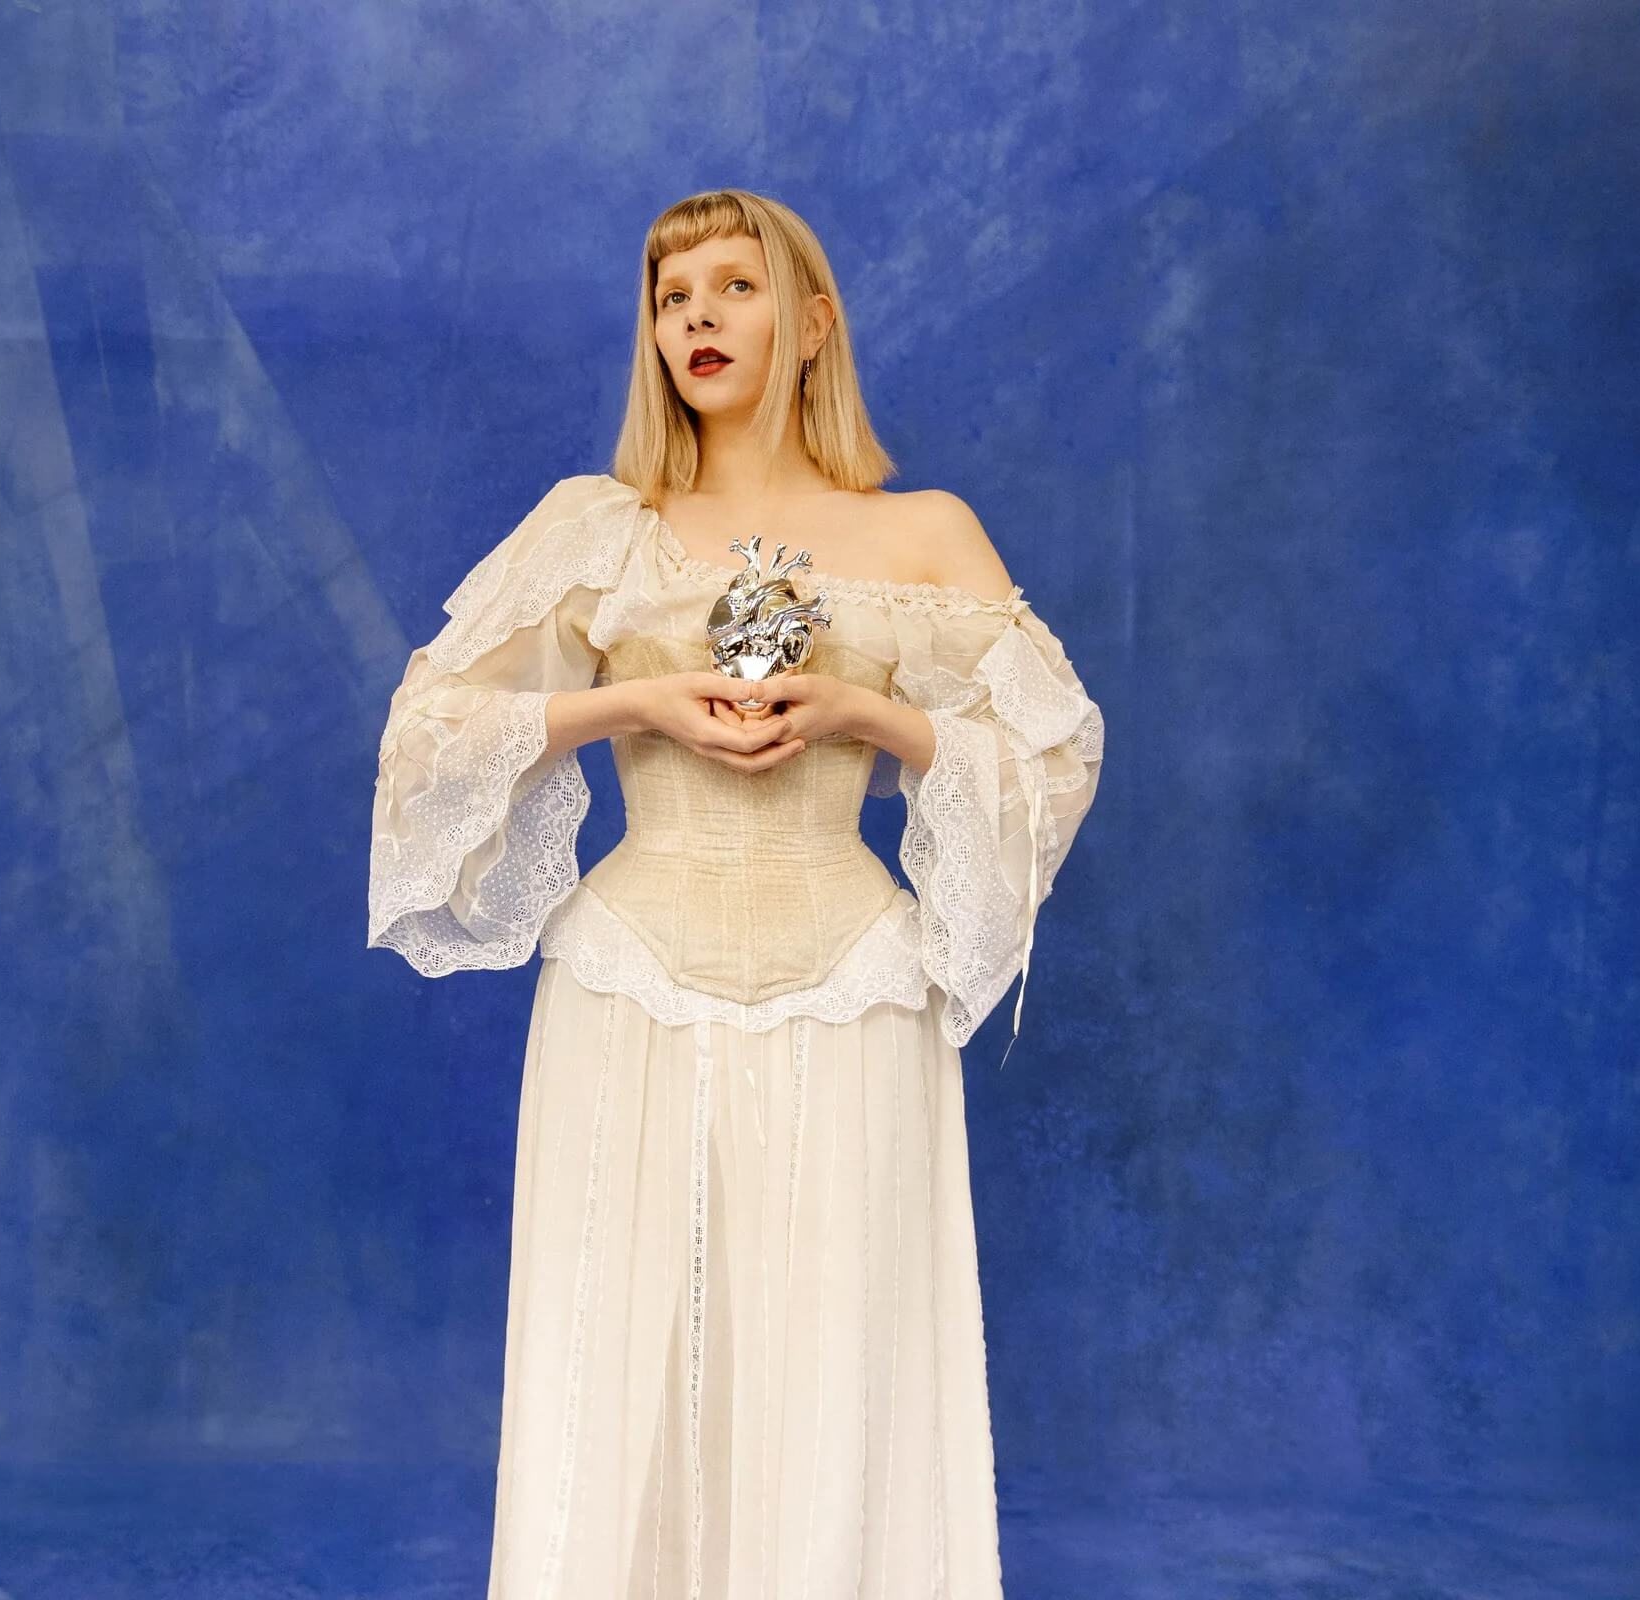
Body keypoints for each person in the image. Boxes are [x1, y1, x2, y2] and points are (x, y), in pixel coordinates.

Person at [367, 186, 1103, 1598]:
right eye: (671, 296)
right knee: (614, 1365)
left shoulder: (923, 534)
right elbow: (429, 737)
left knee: (840, 1364)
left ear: (813, 323)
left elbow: (1052, 757)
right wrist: (636, 702)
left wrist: (865, 715)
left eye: (734, 285)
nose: (696, 315)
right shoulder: (599, 530)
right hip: (629, 989)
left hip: (855, 994)